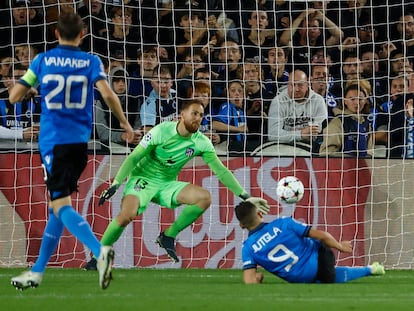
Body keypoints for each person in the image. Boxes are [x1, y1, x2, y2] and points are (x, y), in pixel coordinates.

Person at [8, 12, 134, 290]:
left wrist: (29, 90)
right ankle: (37, 272)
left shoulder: (42, 61)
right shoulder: (91, 61)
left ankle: (99, 251)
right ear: (82, 34)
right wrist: (125, 123)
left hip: (54, 144)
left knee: (61, 206)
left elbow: (14, 96)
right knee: (57, 208)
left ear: (55, 33)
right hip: (79, 144)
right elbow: (108, 93)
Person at [86, 98, 269, 268]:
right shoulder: (161, 131)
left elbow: (221, 171)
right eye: (194, 114)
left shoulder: (201, 142)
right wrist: (116, 183)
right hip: (142, 179)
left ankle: (168, 235)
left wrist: (246, 196)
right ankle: (98, 256)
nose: (198, 118)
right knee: (127, 215)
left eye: (201, 115)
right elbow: (134, 157)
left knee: (204, 198)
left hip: (166, 184)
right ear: (182, 115)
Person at [235, 200, 385, 284]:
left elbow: (249, 281)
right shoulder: (283, 223)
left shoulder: (247, 248)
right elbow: (322, 236)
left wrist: (258, 279)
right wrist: (340, 246)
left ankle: (370, 269)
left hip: (298, 277)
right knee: (318, 243)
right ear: (261, 214)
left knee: (323, 279)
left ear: (242, 225)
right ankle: (370, 269)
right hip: (320, 260)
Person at [267, 69, 327, 145]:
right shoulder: (278, 101)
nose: (296, 89)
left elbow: (320, 131)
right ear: (287, 85)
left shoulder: (318, 100)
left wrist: (289, 134)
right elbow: (273, 134)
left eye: (300, 85)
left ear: (307, 85)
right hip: (283, 148)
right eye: (292, 85)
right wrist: (300, 134)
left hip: (311, 147)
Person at [319, 84, 374, 157]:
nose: (357, 103)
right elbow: (326, 153)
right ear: (345, 101)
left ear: (366, 101)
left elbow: (370, 152)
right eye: (352, 99)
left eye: (360, 99)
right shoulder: (337, 122)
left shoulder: (367, 124)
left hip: (362, 166)